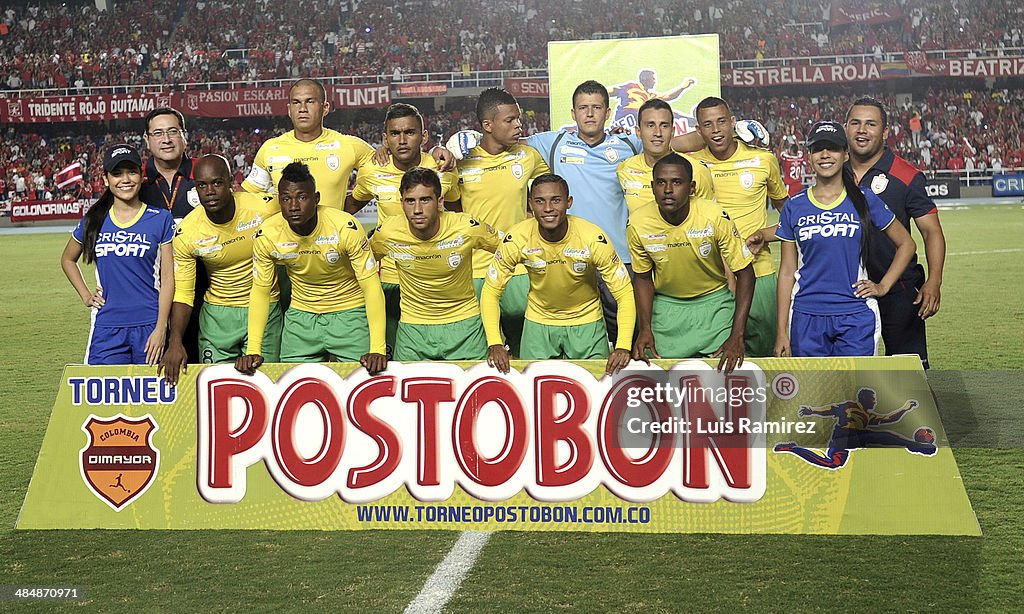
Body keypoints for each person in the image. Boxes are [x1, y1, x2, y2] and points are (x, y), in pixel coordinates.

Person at [758, 121, 916, 358]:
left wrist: (883, 286)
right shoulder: (794, 206)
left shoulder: (865, 199)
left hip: (856, 315)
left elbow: (907, 244)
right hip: (806, 316)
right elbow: (787, 272)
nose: (825, 155)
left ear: (845, 154)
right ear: (809, 155)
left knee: (855, 393)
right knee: (813, 394)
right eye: (817, 148)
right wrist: (781, 331)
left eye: (832, 148)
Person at [234, 162, 386, 375]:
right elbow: (261, 291)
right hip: (301, 319)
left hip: (350, 314)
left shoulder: (345, 228)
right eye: (286, 198)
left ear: (316, 198)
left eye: (302, 197)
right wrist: (253, 349)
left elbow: (371, 285)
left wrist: (377, 348)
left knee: (361, 385)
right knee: (293, 387)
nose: (294, 206)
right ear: (279, 201)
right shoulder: (267, 234)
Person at [482, 174, 635, 376]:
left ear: (569, 202)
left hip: (586, 322)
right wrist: (495, 343)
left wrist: (623, 345)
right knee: (535, 395)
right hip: (538, 323)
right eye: (539, 201)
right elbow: (491, 290)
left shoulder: (592, 238)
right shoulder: (516, 238)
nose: (547, 209)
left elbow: (624, 292)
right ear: (530, 205)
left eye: (556, 200)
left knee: (595, 393)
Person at [346, 103, 461, 353]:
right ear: (385, 139)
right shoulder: (372, 171)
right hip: (391, 280)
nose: (402, 140)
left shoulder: (443, 169)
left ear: (424, 136)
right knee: (389, 356)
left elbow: (458, 213)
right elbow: (351, 205)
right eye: (395, 134)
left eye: (409, 132)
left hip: (436, 279)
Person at [159, 155, 281, 385]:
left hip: (265, 309)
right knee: (217, 388)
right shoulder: (188, 232)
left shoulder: (263, 208)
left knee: (264, 386)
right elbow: (184, 293)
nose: (210, 191)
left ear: (231, 183)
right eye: (202, 185)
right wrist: (175, 341)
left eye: (217, 183)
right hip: (218, 318)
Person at [628, 154, 754, 373]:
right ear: (652, 186)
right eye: (661, 182)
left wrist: (737, 335)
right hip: (667, 306)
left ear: (692, 187)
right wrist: (644, 327)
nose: (668, 189)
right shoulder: (638, 223)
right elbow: (642, 278)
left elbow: (745, 273)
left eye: (677, 182)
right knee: (650, 372)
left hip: (714, 304)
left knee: (730, 372)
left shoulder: (714, 216)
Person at [845, 97, 945, 368]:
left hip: (899, 290)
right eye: (855, 123)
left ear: (885, 132)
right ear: (845, 128)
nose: (862, 130)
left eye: (870, 124)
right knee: (848, 373)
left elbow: (931, 232)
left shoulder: (906, 175)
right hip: (848, 289)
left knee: (909, 375)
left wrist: (934, 281)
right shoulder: (834, 173)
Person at [689, 96, 789, 357]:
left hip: (759, 272)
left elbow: (792, 218)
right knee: (720, 360)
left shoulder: (763, 161)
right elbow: (666, 144)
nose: (716, 130)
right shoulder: (691, 165)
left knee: (767, 357)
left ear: (733, 123)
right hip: (713, 277)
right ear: (698, 131)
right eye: (707, 125)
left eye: (722, 122)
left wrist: (764, 235)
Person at [369, 167, 500, 361]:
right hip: (413, 329)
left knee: (474, 392)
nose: (417, 210)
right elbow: (359, 265)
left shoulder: (467, 227)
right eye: (410, 201)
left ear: (440, 201)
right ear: (402, 203)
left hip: (465, 325)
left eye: (425, 200)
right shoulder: (387, 233)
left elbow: (509, 250)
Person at [60, 144, 174, 365]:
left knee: (153, 398)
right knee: (104, 399)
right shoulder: (94, 220)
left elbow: (168, 279)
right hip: (107, 327)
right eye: (117, 173)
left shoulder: (160, 218)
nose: (125, 179)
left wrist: (161, 329)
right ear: (105, 179)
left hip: (149, 325)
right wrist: (85, 295)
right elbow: (67, 259)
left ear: (141, 176)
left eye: (131, 172)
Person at [456, 87, 550, 354]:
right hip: (475, 270)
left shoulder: (527, 156)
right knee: (483, 351)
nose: (518, 124)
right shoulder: (462, 161)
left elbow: (558, 182)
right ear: (487, 125)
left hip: (518, 266)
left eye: (518, 118)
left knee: (526, 349)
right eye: (509, 120)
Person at [242, 78, 374, 209]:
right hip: (285, 230)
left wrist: (345, 211)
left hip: (333, 230)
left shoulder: (349, 146)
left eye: (310, 101)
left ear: (325, 108)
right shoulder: (270, 149)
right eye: (296, 102)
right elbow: (246, 198)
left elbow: (383, 173)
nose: (302, 109)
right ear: (289, 109)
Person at [774, 388, 936, 469]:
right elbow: (831, 409)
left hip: (847, 440)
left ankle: (793, 448)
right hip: (845, 434)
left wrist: (905, 408)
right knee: (880, 436)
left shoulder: (868, 416)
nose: (875, 402)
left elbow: (888, 418)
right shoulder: (850, 407)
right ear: (865, 398)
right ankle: (915, 446)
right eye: (873, 399)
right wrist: (812, 410)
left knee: (833, 463)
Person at [617, 98, 716, 214]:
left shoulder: (697, 170)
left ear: (672, 131)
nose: (658, 133)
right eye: (650, 125)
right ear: (638, 132)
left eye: (664, 126)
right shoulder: (624, 169)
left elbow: (709, 219)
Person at [140, 107, 195, 219]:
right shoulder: (137, 179)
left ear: (184, 136)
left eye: (173, 131)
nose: (166, 139)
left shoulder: (204, 171)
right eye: (158, 133)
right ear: (147, 140)